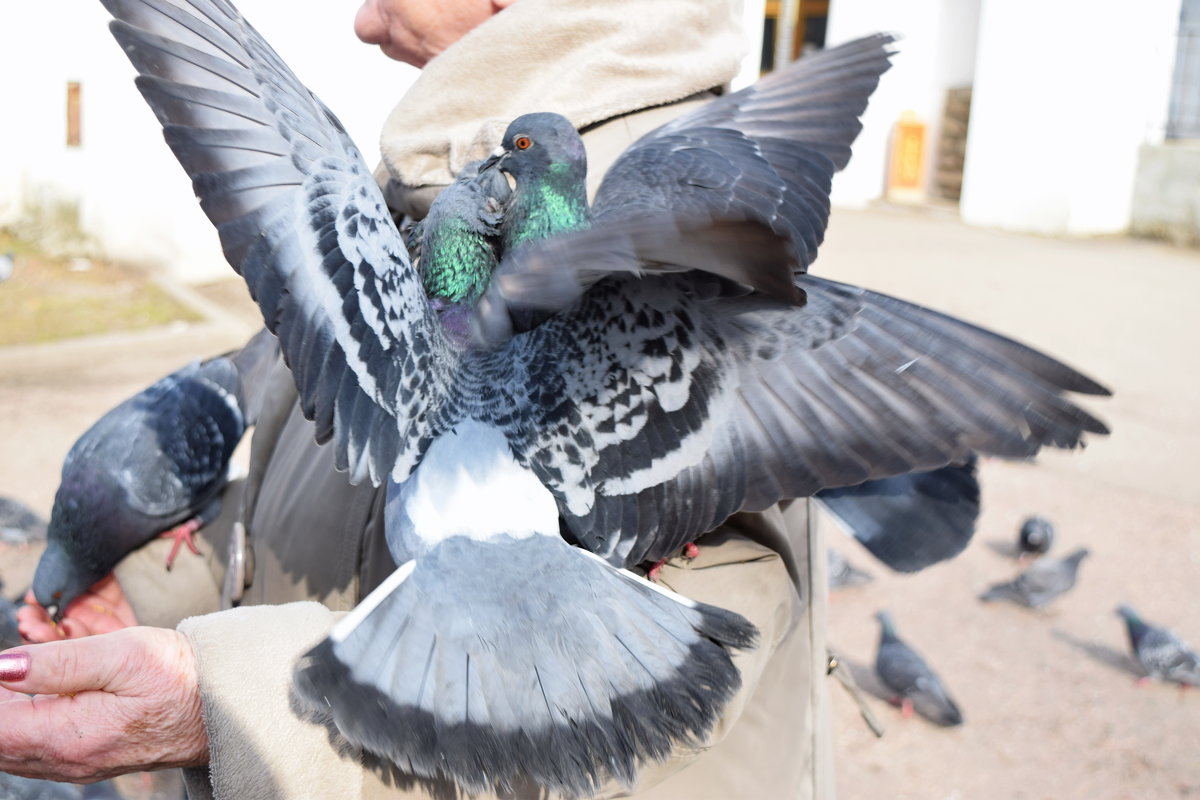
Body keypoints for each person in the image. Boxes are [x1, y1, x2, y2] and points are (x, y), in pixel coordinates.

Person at [2, 1, 831, 797]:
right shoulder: (405, 193)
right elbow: (316, 494)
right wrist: (154, 593)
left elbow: (621, 651)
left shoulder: (677, 218)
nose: (362, 21)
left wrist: (233, 702)